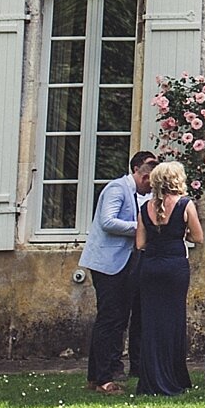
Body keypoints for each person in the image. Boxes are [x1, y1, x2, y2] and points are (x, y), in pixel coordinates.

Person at [80, 151, 154, 394]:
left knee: (117, 319)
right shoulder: (116, 188)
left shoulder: (138, 194)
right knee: (110, 320)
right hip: (107, 264)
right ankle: (102, 378)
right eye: (146, 173)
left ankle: (102, 373)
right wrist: (142, 227)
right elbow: (108, 222)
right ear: (135, 169)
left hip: (123, 263)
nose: (149, 181)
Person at [133, 159, 205, 395]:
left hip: (151, 266)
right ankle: (173, 375)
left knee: (151, 323)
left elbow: (140, 243)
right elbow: (198, 237)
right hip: (174, 266)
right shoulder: (185, 204)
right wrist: (179, 233)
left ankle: (151, 377)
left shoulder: (145, 207)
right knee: (173, 321)